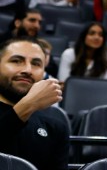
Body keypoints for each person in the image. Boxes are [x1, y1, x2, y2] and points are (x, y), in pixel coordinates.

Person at [0, 37, 68, 169]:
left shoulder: (55, 125)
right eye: (16, 61)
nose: (27, 70)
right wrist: (28, 105)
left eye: (36, 64)